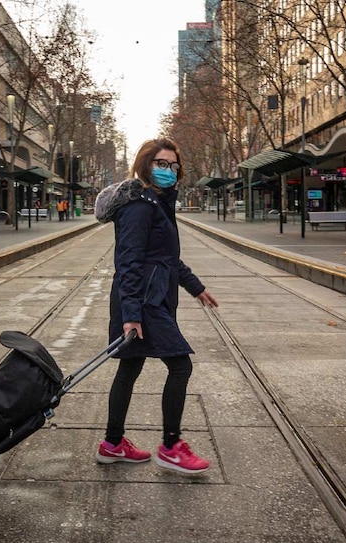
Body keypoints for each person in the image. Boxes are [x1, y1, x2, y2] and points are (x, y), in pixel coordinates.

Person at [93, 137, 218, 474]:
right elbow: (129, 261)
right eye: (162, 164)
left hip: (150, 297)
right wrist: (131, 314)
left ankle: (112, 443)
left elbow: (167, 259)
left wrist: (196, 288)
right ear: (145, 164)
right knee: (180, 366)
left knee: (130, 367)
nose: (169, 170)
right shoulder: (139, 206)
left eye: (174, 165)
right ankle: (171, 447)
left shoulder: (158, 203)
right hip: (143, 302)